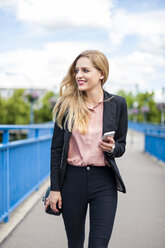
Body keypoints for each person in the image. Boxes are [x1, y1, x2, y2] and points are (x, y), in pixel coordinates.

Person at [45, 50, 128, 248]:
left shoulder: (118, 103)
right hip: (72, 181)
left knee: (98, 245)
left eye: (85, 70)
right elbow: (56, 150)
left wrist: (113, 147)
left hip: (104, 182)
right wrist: (55, 189)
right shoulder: (67, 105)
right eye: (76, 70)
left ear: (101, 74)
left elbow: (122, 145)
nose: (79, 75)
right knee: (75, 243)